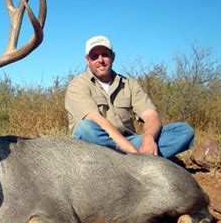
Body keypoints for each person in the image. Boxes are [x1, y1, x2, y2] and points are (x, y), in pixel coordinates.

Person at [65, 35, 194, 158]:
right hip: (97, 144)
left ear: (113, 57)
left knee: (183, 131)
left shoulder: (129, 84)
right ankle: (139, 161)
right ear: (87, 60)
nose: (101, 60)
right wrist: (134, 154)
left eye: (105, 55)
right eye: (94, 56)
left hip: (128, 142)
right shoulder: (77, 85)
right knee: (85, 129)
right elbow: (96, 120)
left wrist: (148, 138)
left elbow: (151, 115)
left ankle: (126, 163)